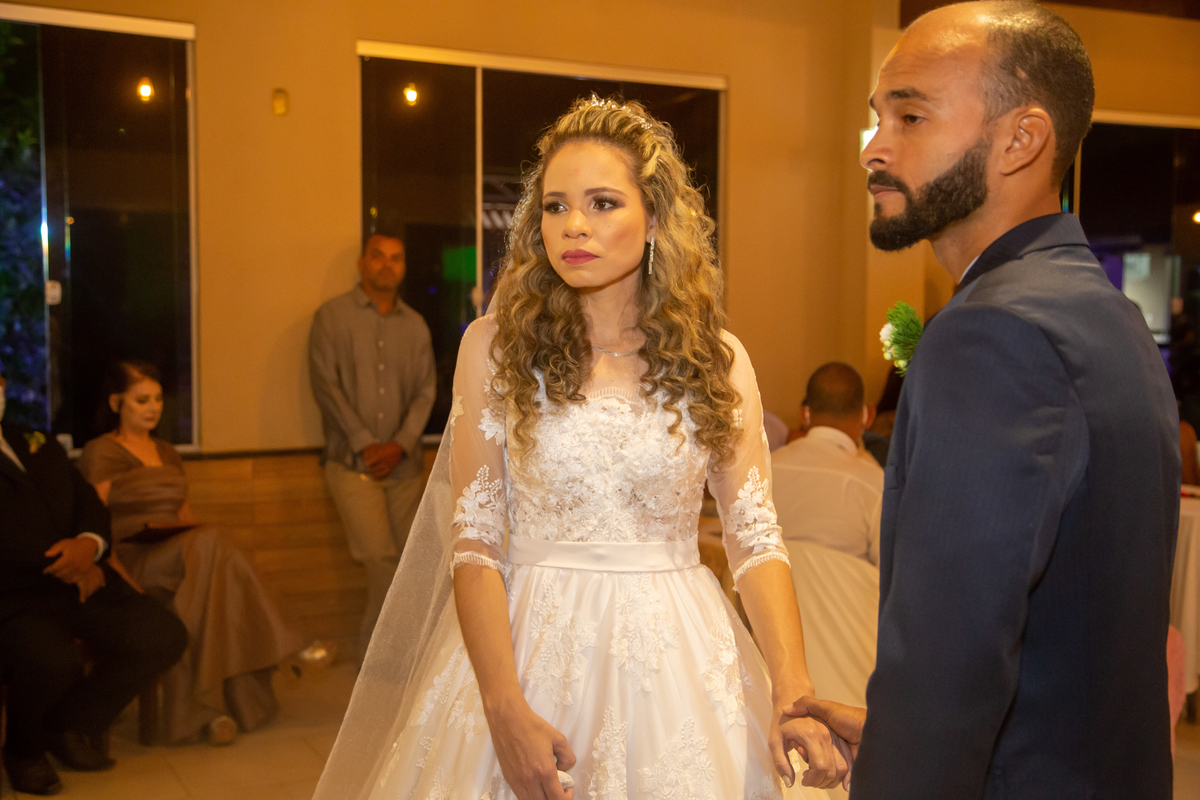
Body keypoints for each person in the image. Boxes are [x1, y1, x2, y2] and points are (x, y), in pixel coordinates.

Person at [314, 97, 847, 800]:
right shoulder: (495, 348)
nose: (573, 225)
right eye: (555, 206)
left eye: (602, 203)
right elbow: (475, 544)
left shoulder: (716, 361)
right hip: (526, 648)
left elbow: (755, 540)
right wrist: (502, 709)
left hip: (676, 658)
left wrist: (791, 690)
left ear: (654, 218)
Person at [788, 3, 1179, 798]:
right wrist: (903, 734)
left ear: (1021, 139)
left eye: (911, 116)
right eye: (877, 117)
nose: (875, 148)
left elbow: (951, 652)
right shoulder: (1104, 312)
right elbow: (1072, 636)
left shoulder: (989, 332)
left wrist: (910, 763)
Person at [78, 361, 309, 746]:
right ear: (117, 403)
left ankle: (211, 713)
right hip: (131, 557)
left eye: (157, 399)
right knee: (208, 547)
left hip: (177, 554)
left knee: (207, 578)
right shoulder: (101, 451)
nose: (153, 408)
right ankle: (292, 642)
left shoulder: (168, 452)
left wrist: (201, 538)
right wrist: (123, 581)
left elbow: (184, 516)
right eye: (142, 400)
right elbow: (93, 521)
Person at [0, 370, 187, 795]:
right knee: (54, 660)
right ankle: (24, 752)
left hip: (79, 577)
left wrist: (90, 544)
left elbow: (85, 499)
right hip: (14, 593)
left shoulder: (34, 440)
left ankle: (67, 725)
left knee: (162, 635)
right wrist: (68, 561)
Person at [308, 231, 437, 661]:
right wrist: (366, 444)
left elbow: (426, 392)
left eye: (396, 258)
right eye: (378, 256)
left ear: (403, 267)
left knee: (410, 562)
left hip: (404, 466)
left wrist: (400, 444)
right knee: (381, 559)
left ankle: (390, 661)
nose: (387, 264)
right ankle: (384, 663)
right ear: (362, 264)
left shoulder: (415, 325)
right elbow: (326, 386)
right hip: (352, 464)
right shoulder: (331, 318)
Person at [771, 363, 883, 564]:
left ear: (804, 414)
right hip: (849, 586)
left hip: (769, 584)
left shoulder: (765, 469)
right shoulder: (876, 483)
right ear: (868, 416)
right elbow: (890, 570)